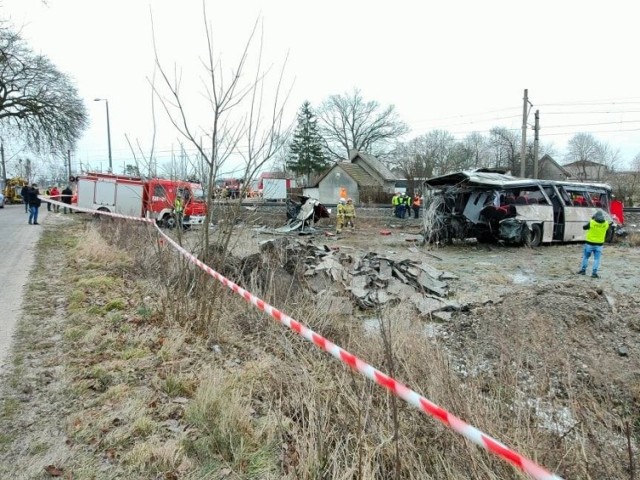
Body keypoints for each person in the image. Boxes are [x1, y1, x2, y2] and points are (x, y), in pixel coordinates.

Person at [577, 210, 609, 278]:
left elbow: (584, 227)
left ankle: (583, 270)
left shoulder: (592, 222)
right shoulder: (606, 223)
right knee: (597, 259)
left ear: (595, 216)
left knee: (586, 257)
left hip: (589, 243)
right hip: (599, 244)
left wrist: (592, 219)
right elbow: (608, 232)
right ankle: (594, 273)